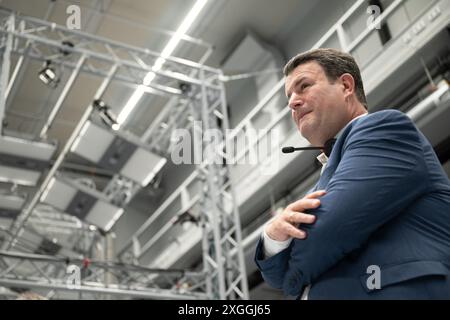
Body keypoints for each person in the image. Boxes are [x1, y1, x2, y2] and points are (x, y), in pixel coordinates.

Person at [254, 48, 450, 299]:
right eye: (289, 96)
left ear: (346, 85)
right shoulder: (328, 174)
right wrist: (272, 237)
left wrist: (289, 280)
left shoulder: (384, 129)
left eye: (303, 86)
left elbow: (327, 231)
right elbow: (272, 274)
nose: (292, 101)